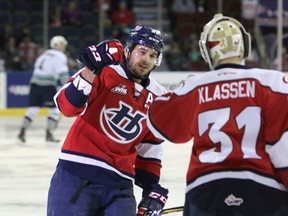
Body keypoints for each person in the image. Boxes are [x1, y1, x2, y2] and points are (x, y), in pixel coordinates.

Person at [147, 13, 288, 216]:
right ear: (244, 45)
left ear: (207, 50)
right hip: (261, 190)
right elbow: (282, 143)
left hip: (205, 192)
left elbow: (158, 122)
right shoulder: (272, 82)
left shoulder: (194, 87)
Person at [47, 25, 169, 216]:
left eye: (153, 55)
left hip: (120, 188)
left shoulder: (159, 96)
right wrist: (91, 69)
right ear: (128, 50)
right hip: (77, 177)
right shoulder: (104, 72)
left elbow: (151, 147)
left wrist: (150, 188)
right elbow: (66, 107)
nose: (146, 60)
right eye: (143, 52)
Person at [17, 35, 69, 143]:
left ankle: (22, 131)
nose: (64, 46)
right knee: (54, 110)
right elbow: (63, 74)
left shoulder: (43, 54)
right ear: (57, 45)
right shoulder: (60, 56)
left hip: (35, 84)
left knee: (33, 109)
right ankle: (49, 134)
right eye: (62, 44)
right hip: (48, 86)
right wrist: (69, 87)